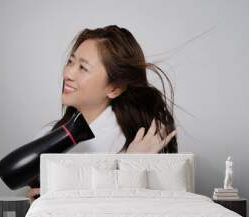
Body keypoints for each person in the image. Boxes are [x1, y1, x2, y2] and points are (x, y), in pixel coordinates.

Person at [26, 25, 178, 202]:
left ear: (114, 88)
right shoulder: (47, 135)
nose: (68, 74)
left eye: (83, 67)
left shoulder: (140, 143)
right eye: (70, 61)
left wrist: (132, 165)